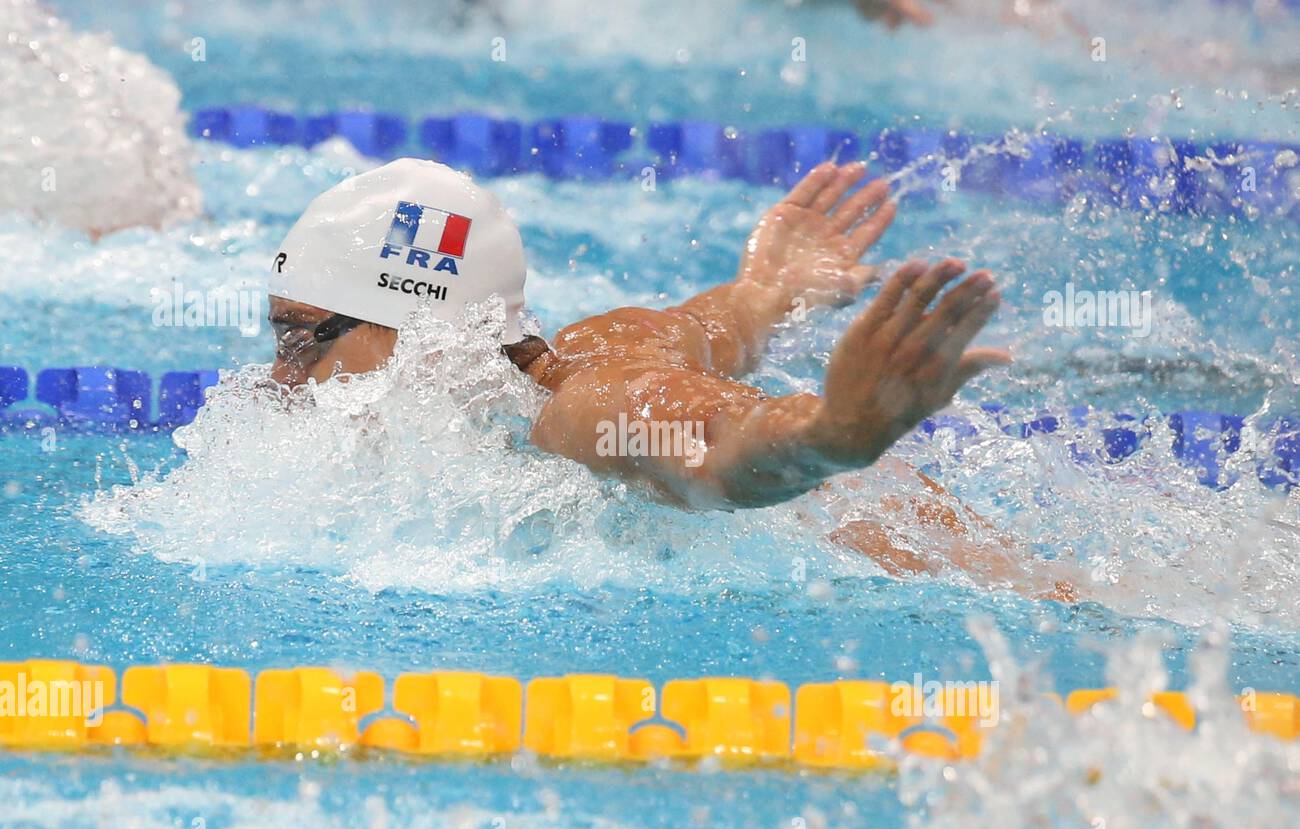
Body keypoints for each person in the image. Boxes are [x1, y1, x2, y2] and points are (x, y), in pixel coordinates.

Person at [266, 158, 1071, 596]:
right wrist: (769, 294)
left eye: (302, 340)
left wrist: (834, 435)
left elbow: (714, 448)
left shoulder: (578, 413)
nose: (280, 376)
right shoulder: (597, 344)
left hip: (1007, 596)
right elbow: (719, 325)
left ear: (428, 336)